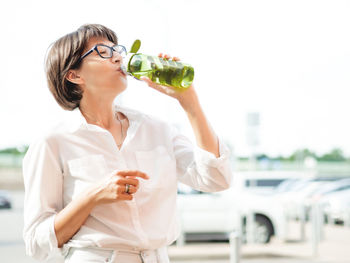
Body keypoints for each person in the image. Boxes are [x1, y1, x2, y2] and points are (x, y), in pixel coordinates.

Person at [22, 24, 233, 263]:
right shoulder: (53, 142)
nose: (118, 57)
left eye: (117, 50)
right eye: (103, 51)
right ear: (74, 75)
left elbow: (217, 179)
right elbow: (36, 242)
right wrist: (92, 196)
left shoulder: (157, 129)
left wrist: (189, 102)